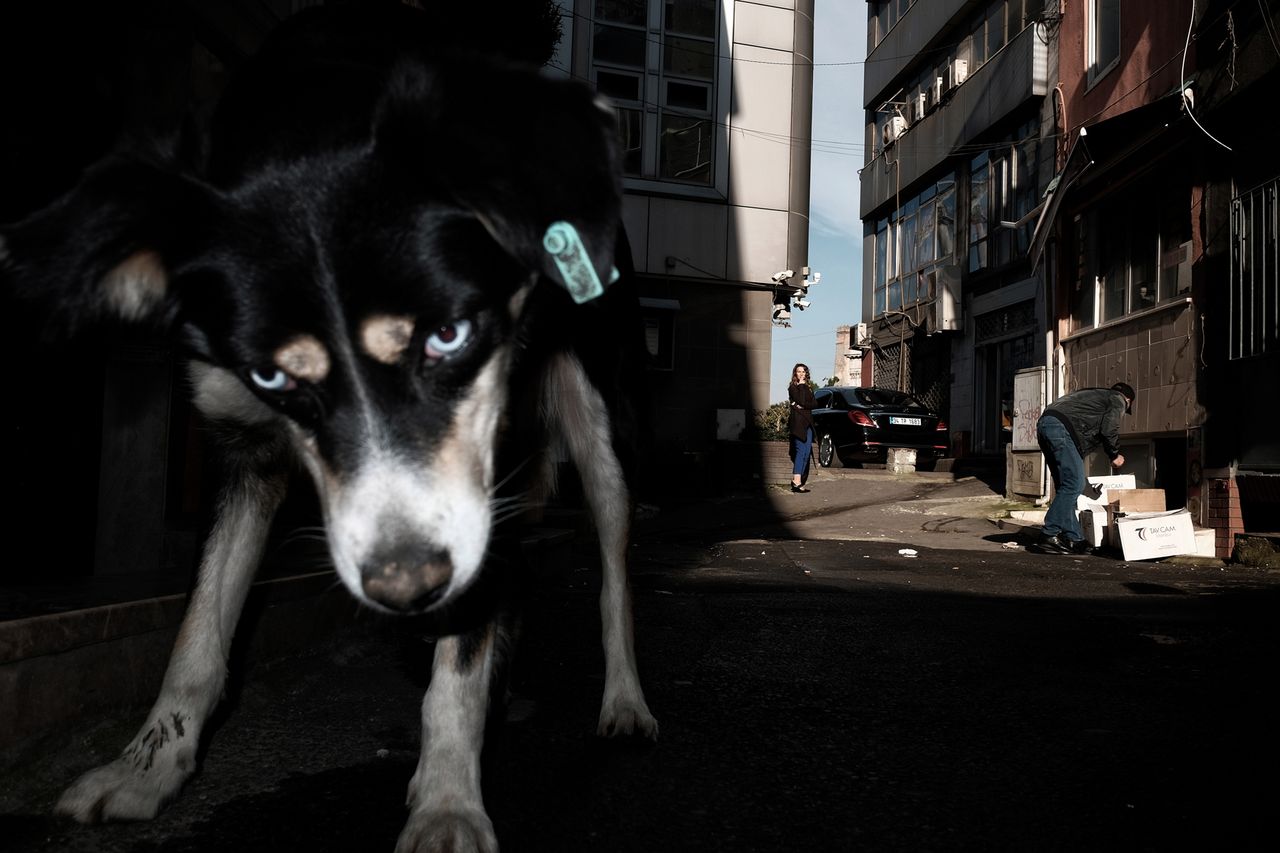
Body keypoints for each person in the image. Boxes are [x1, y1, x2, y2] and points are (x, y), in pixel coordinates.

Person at [1033, 382, 1136, 555]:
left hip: (1046, 425)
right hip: (1060, 428)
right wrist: (1114, 455)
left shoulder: (1093, 397)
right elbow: (1109, 428)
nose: (1123, 412)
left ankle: (1075, 539)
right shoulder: (1117, 399)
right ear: (1128, 400)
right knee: (1075, 484)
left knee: (1066, 487)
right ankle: (1049, 533)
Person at [787, 363, 817, 493]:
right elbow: (802, 400)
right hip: (798, 424)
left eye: (803, 372)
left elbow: (814, 403)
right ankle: (796, 481)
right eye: (799, 372)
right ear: (795, 373)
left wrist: (802, 406)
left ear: (806, 373)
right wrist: (801, 385)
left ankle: (798, 481)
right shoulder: (793, 388)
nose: (801, 374)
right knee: (800, 451)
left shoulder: (809, 388)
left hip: (808, 423)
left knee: (806, 454)